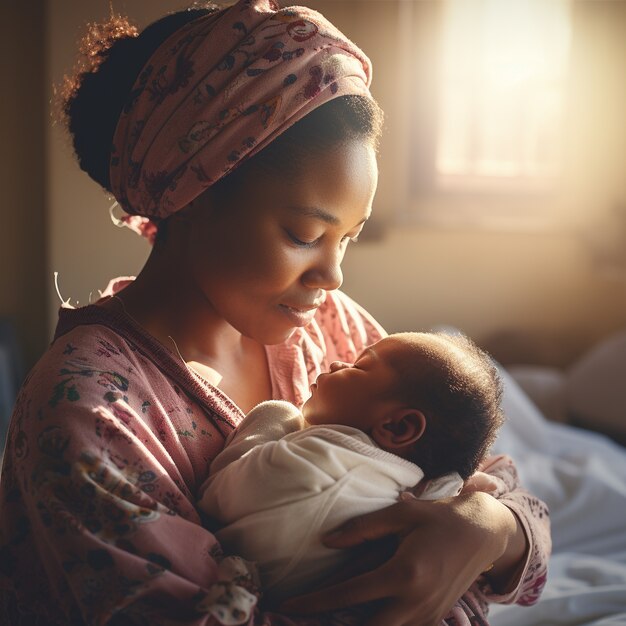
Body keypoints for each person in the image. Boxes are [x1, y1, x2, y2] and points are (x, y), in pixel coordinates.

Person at [0, 1, 550, 625]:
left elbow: (488, 476)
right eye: (302, 233)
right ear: (193, 194)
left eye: (348, 238)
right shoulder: (91, 411)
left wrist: (491, 529)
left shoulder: (324, 327)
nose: (333, 276)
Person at [199, 331, 508, 608]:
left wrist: (274, 418)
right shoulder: (434, 492)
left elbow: (215, 498)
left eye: (358, 367)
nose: (336, 364)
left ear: (398, 426)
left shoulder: (322, 460)